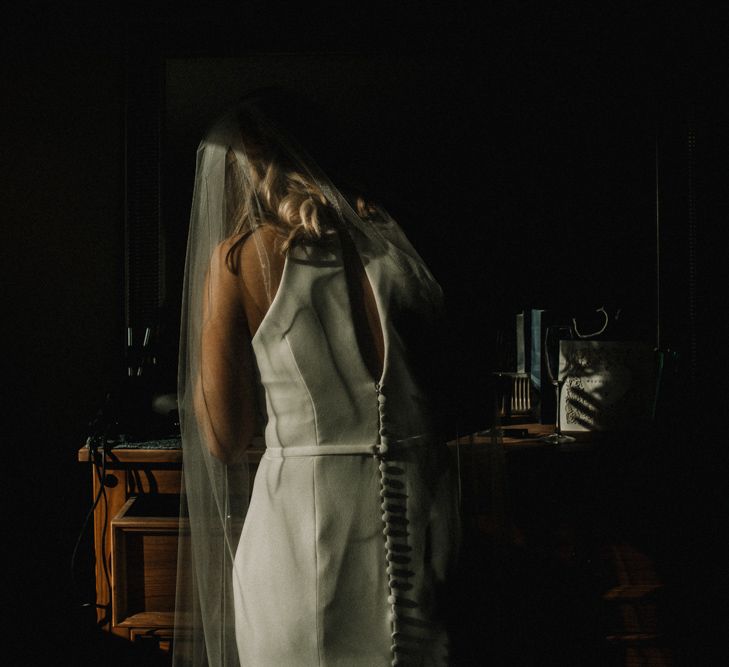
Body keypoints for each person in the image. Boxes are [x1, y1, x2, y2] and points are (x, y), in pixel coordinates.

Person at [173, 89, 460, 667]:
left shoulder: (241, 259)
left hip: (302, 541)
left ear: (252, 162)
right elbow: (450, 401)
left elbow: (224, 439)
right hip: (422, 530)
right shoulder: (398, 250)